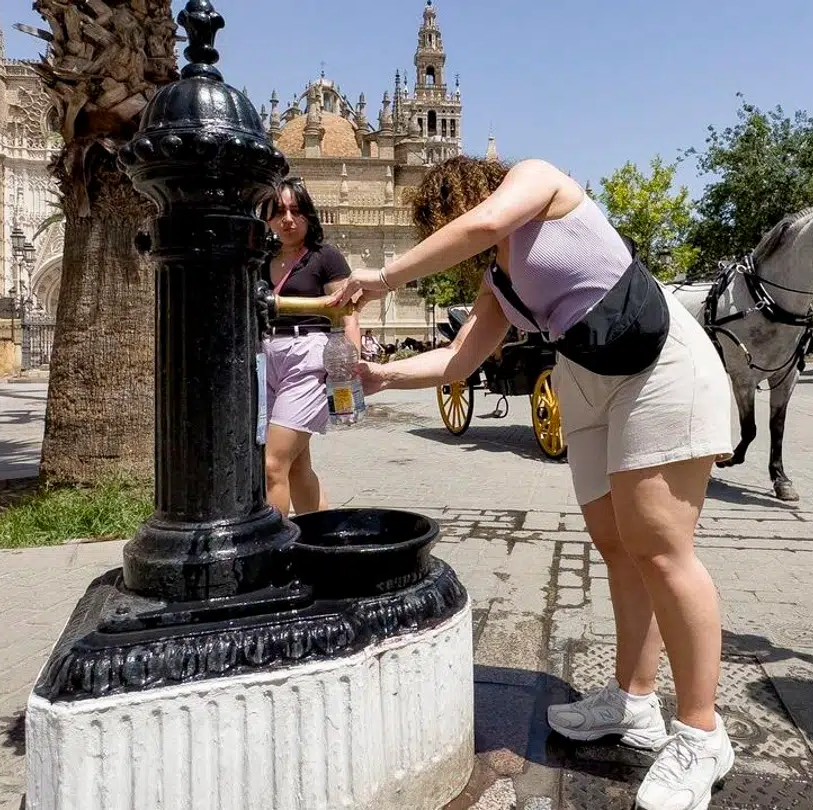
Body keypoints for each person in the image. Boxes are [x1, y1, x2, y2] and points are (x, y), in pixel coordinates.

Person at [333, 155, 736, 810]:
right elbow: (462, 359)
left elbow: (488, 219)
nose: (448, 226)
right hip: (586, 382)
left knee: (661, 549)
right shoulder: (499, 282)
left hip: (657, 363)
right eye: (434, 222)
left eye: (446, 212)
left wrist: (380, 277)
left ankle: (700, 731)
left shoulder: (537, 180)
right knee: (616, 544)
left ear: (468, 194)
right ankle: (633, 702)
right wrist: (383, 380)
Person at [260, 178, 358, 517]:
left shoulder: (324, 256)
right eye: (279, 212)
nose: (287, 219)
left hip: (308, 357)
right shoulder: (260, 259)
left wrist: (349, 370)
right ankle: (323, 541)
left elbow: (348, 314)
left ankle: (271, 554)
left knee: (272, 465)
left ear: (309, 217)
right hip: (265, 358)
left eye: (296, 211)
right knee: (296, 467)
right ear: (267, 218)